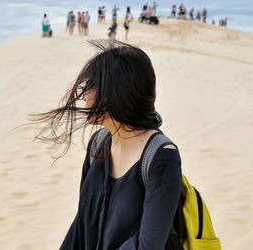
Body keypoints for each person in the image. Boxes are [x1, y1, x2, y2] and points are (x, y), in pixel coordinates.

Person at [32, 40, 182, 249]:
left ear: (114, 91)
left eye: (90, 85)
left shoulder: (161, 157)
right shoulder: (99, 144)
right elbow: (83, 221)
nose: (84, 94)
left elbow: (149, 246)